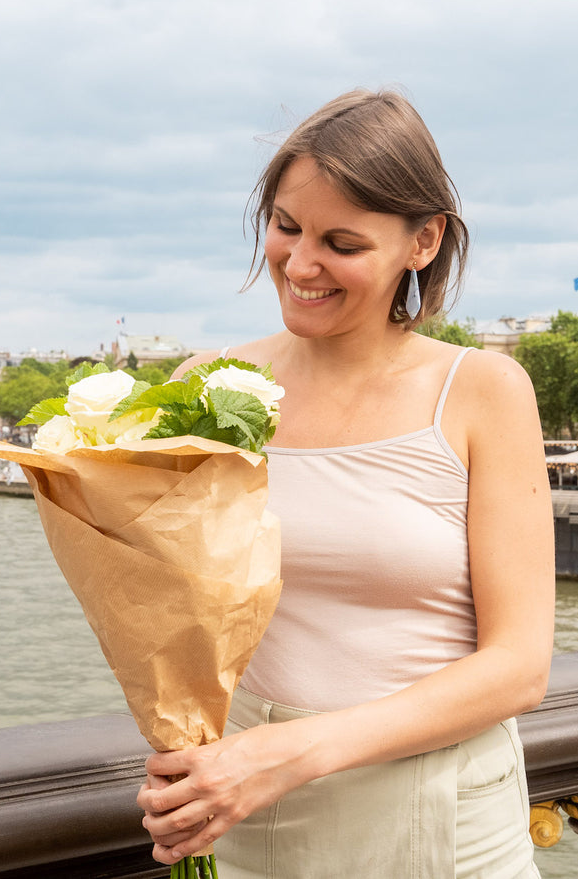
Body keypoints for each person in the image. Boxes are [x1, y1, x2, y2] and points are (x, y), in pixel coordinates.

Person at [136, 89, 555, 878]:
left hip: (439, 816)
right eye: (285, 227)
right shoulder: (205, 387)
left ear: (423, 241)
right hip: (249, 806)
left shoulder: (482, 391)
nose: (299, 264)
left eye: (341, 242)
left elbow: (519, 664)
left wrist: (287, 753)